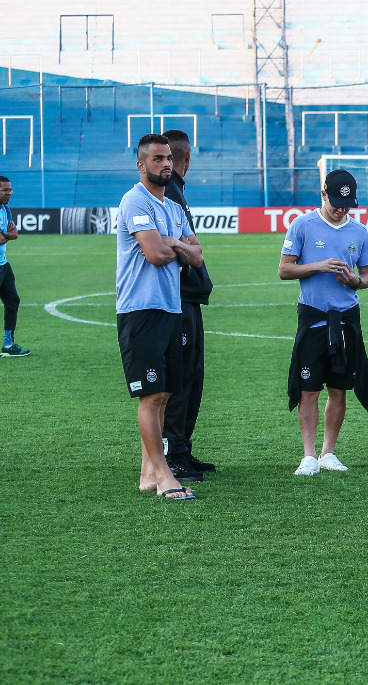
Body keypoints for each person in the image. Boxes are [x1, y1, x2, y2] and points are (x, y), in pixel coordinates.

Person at [116, 134, 204, 501]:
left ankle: (147, 473)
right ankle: (165, 476)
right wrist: (177, 245)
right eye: (157, 159)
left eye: (168, 158)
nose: (166, 164)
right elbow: (154, 253)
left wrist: (176, 245)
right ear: (141, 165)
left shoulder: (170, 207)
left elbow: (198, 257)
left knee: (164, 394)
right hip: (141, 311)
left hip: (170, 309)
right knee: (151, 396)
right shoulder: (134, 200)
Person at [279, 170, 368, 477]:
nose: (341, 209)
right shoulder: (302, 225)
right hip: (313, 317)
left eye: (346, 204)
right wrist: (318, 266)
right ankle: (308, 455)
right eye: (336, 202)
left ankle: (328, 452)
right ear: (324, 195)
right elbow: (284, 270)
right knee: (308, 388)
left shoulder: (359, 232)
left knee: (339, 388)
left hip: (346, 319)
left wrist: (355, 280)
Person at [159, 129, 216, 483]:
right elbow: (184, 248)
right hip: (177, 297)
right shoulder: (170, 192)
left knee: (192, 376)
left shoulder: (175, 191)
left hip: (188, 298)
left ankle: (182, 450)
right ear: (188, 158)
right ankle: (174, 454)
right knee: (181, 378)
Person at [0, 176, 30, 357]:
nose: (9, 193)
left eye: (10, 190)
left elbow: (14, 234)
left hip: (3, 264)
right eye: (5, 190)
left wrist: (8, 234)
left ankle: (8, 345)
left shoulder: (5, 209)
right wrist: (7, 234)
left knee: (12, 301)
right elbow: (3, 237)